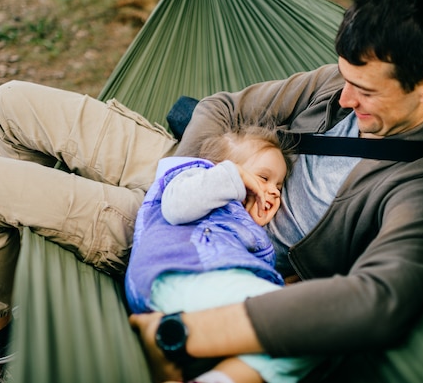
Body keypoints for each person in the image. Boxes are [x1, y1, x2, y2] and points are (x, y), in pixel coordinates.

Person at [0, 0, 423, 382]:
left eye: (364, 93)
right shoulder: (338, 81)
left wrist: (176, 220)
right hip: (194, 169)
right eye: (344, 80)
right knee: (8, 104)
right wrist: (180, 180)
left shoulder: (420, 186)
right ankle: (27, 260)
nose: (345, 98)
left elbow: (381, 298)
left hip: (206, 245)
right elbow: (221, 107)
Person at [126, 126, 321, 383]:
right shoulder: (196, 177)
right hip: (184, 273)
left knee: (307, 338)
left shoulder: (239, 228)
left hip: (192, 288)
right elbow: (177, 208)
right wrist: (232, 177)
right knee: (313, 323)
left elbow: (232, 264)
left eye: (278, 185)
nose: (273, 191)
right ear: (224, 168)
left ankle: (171, 343)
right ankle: (168, 334)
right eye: (263, 178)